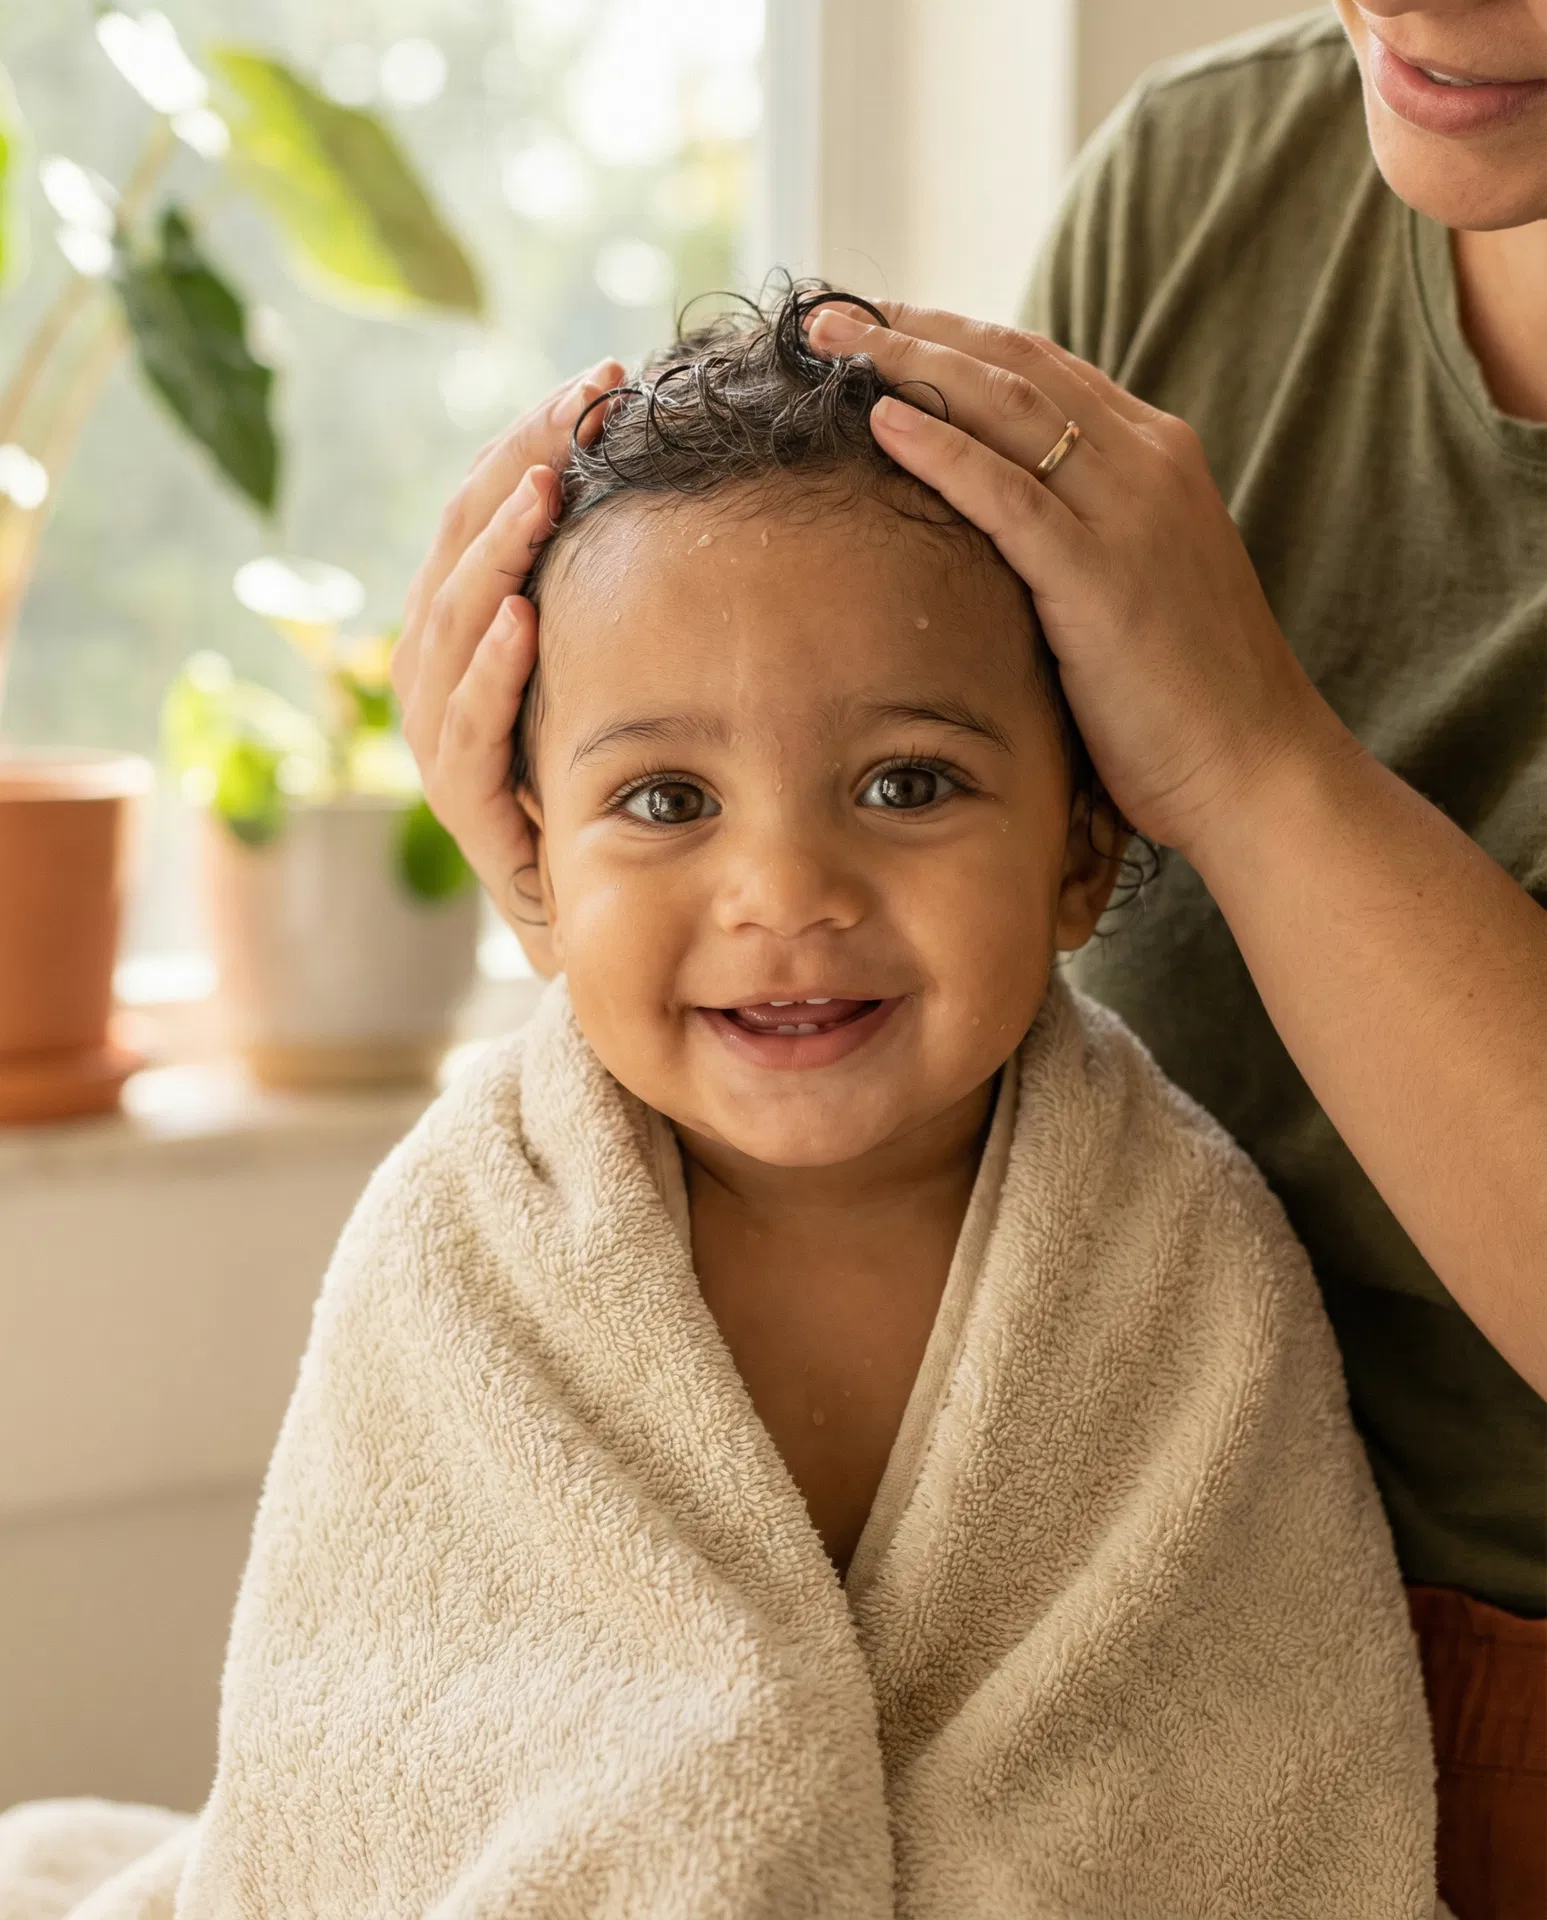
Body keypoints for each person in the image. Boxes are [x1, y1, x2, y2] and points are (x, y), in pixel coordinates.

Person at [390, 8, 1546, 1916]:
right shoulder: (1199, 193)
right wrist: (578, 872)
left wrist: (1253, 765)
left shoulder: (1173, 1261)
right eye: (673, 799)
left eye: (897, 785)